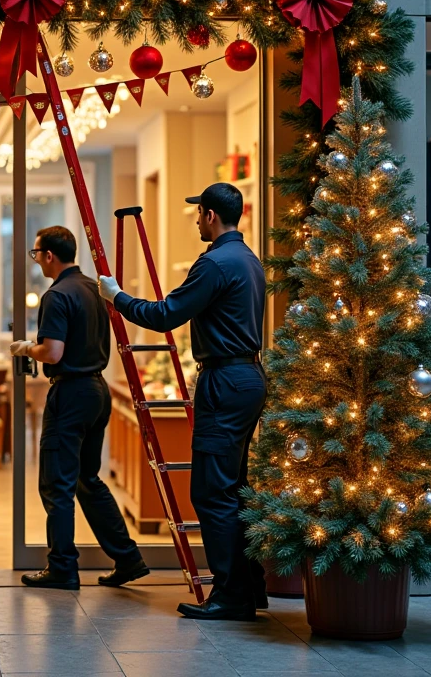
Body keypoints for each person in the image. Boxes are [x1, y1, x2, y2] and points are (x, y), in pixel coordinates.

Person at [97, 182, 267, 621]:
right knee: (234, 487)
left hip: (225, 379)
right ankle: (251, 586)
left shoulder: (214, 263)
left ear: (211, 215)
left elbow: (164, 316)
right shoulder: (249, 259)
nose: (195, 219)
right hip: (248, 376)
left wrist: (116, 296)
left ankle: (231, 596)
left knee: (212, 492)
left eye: (198, 213)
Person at [10, 226, 148, 590]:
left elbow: (53, 352)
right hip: (97, 390)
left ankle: (62, 568)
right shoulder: (93, 288)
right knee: (87, 480)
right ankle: (128, 558)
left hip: (69, 394)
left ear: (49, 256)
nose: (36, 259)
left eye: (36, 253)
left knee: (57, 484)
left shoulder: (56, 296)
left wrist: (25, 348)